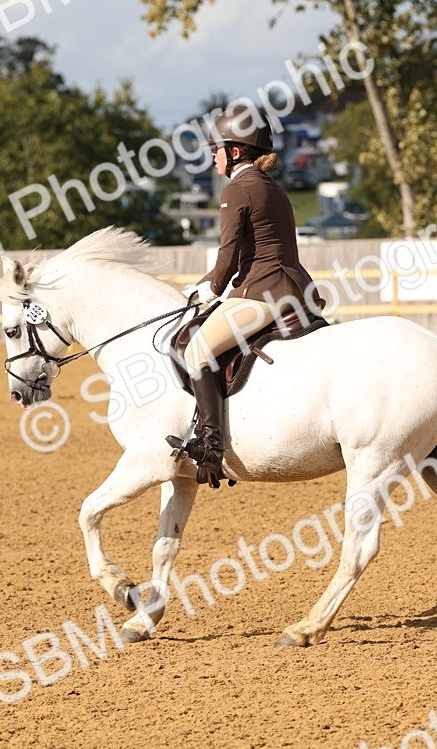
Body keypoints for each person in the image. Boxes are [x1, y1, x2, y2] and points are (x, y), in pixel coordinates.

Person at [167, 106, 319, 488]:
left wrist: (211, 288)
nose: (212, 155)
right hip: (291, 287)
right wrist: (205, 283)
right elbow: (252, 252)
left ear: (235, 151)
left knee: (197, 351)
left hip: (263, 292)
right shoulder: (270, 187)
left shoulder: (238, 188)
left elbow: (229, 251)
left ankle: (211, 445)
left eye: (216, 148)